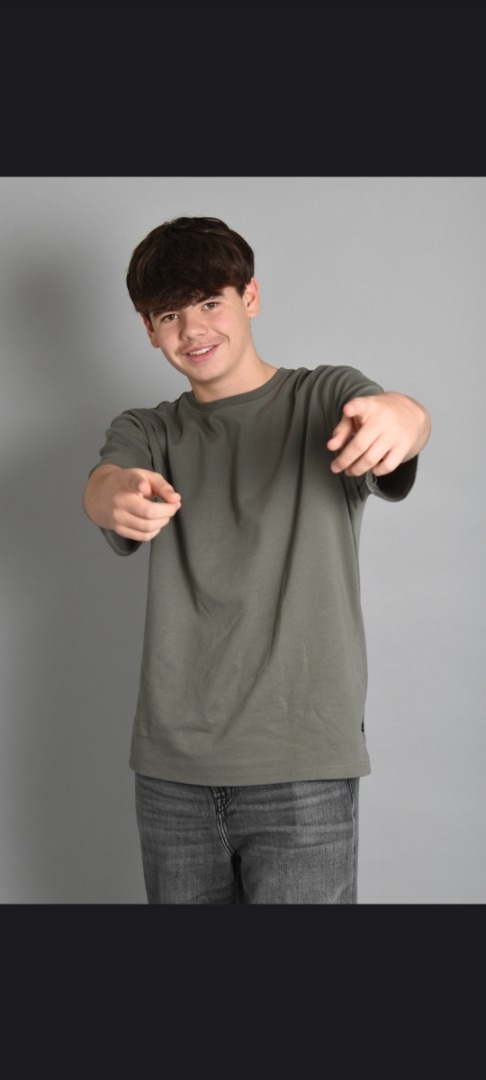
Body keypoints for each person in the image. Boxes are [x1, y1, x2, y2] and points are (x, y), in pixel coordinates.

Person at [83, 215, 431, 905]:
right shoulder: (148, 430)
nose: (193, 329)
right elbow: (105, 482)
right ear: (149, 330)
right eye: (170, 315)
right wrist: (112, 496)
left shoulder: (323, 397)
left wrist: (405, 417)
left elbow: (393, 416)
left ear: (250, 297)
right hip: (172, 773)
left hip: (302, 767)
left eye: (210, 302)